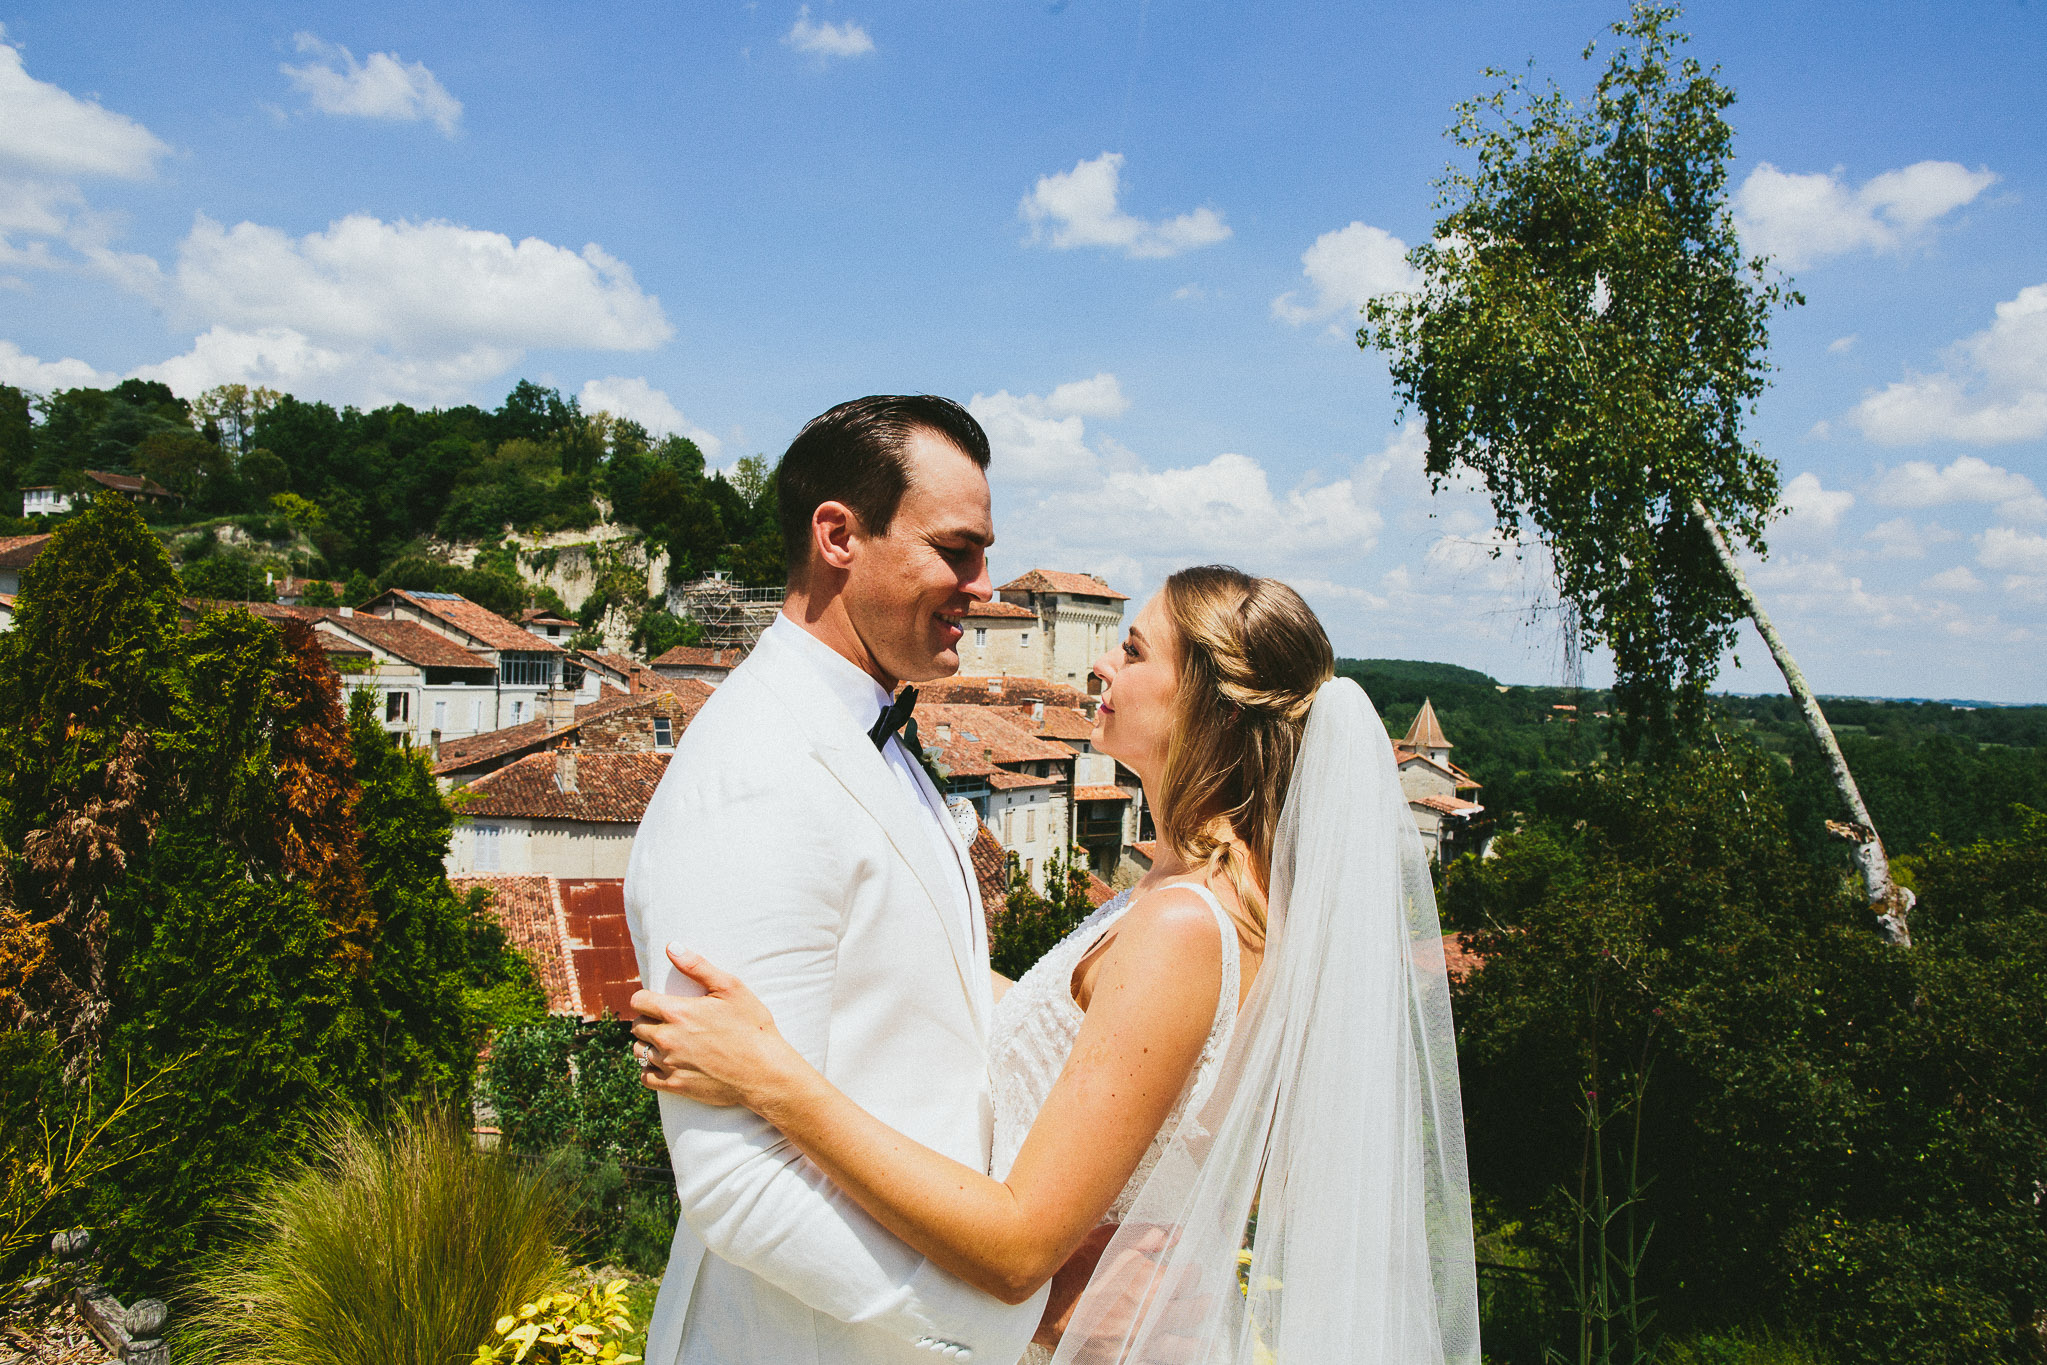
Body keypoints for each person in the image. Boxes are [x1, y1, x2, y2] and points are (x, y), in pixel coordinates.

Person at [634, 565, 1481, 1365]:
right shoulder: (1186, 891)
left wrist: (773, 1077)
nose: (1101, 662)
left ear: (1213, 709)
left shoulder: (1184, 925)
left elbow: (1018, 1244)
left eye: (1134, 650)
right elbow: (1059, 1025)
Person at [623, 394, 1050, 1365]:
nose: (983, 586)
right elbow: (739, 1184)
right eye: (956, 551)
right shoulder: (754, 772)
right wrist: (1010, 1323)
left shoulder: (874, 734)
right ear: (839, 537)